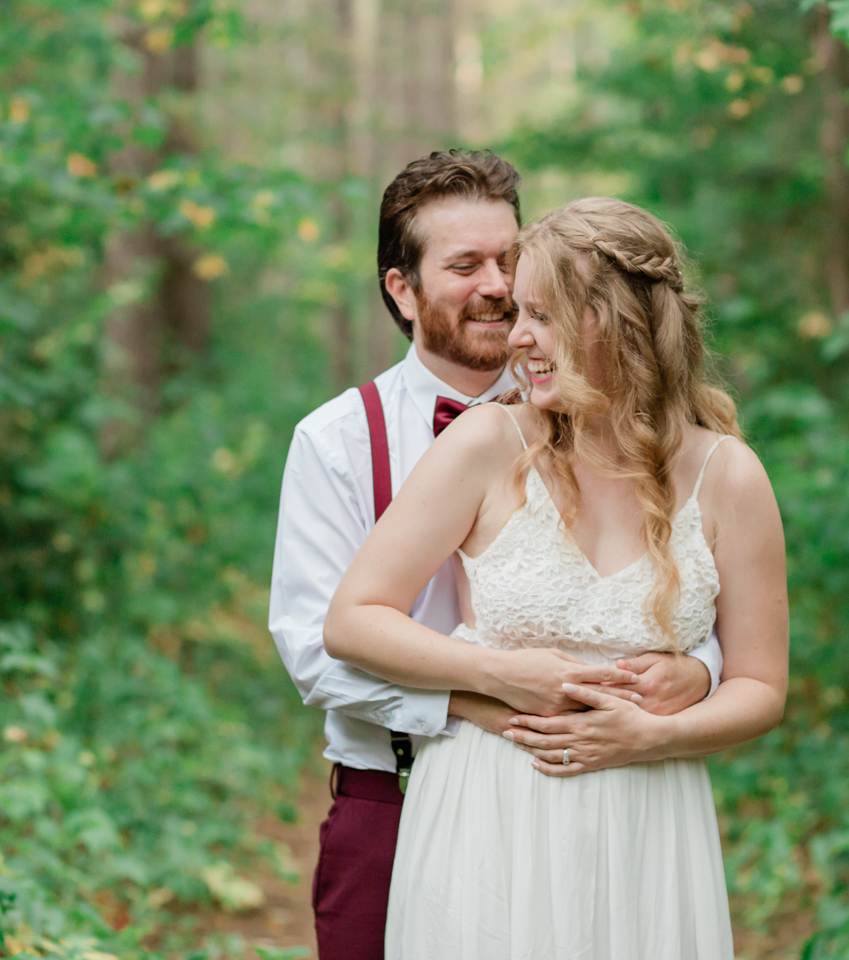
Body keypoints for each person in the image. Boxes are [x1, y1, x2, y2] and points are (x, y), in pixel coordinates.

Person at [268, 153, 724, 960]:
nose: (498, 286)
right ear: (401, 290)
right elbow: (313, 648)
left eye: (509, 261)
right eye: (464, 265)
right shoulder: (338, 440)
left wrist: (704, 671)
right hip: (396, 796)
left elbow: (664, 587)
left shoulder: (619, 428)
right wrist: (484, 701)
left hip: (605, 798)